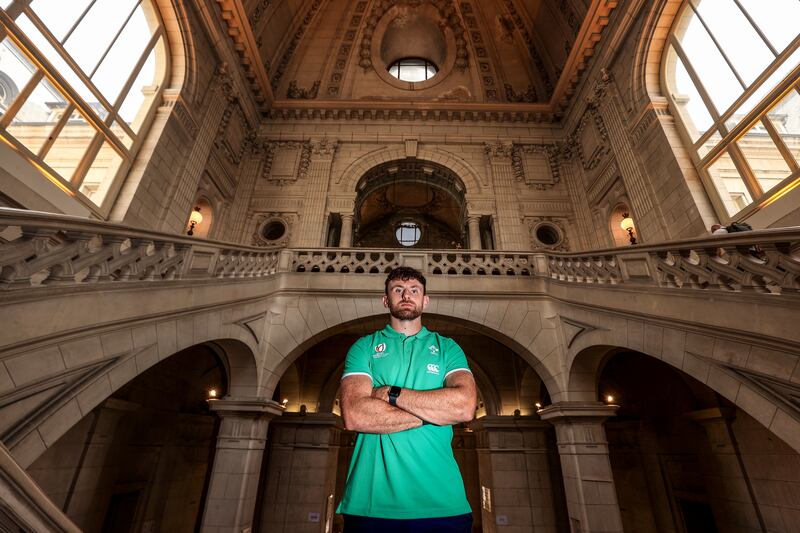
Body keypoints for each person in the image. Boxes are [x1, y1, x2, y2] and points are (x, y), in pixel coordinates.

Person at [337, 266, 476, 533]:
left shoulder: (448, 347)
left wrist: (390, 393)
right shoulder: (364, 346)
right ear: (385, 300)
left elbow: (465, 406)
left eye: (414, 290)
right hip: (370, 503)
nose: (406, 295)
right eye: (397, 290)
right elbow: (355, 415)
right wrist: (434, 413)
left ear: (425, 300)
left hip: (443, 504)